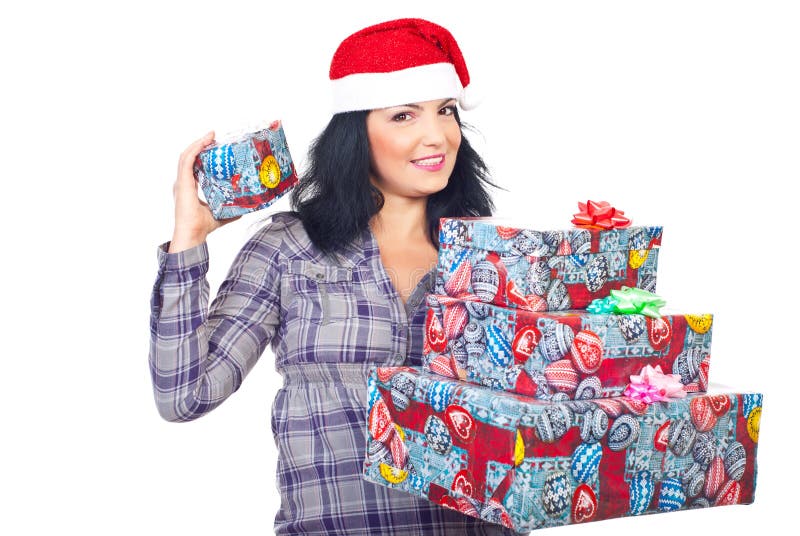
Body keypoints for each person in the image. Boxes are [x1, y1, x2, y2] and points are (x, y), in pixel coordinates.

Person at [149, 18, 525, 535]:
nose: (436, 135)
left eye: (446, 111)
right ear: (355, 134)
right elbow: (184, 394)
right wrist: (189, 237)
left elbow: (534, 414)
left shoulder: (495, 255)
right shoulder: (288, 249)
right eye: (403, 115)